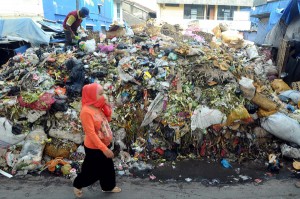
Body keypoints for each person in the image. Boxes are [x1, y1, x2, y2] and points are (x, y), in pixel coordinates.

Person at [73, 83, 121, 197]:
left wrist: (107, 106)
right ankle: (77, 184)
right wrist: (104, 149)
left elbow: (107, 120)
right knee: (92, 172)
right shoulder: (86, 112)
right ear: (91, 95)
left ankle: (108, 187)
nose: (103, 96)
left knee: (108, 168)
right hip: (95, 147)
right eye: (100, 94)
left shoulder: (97, 106)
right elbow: (91, 134)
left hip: (104, 143)